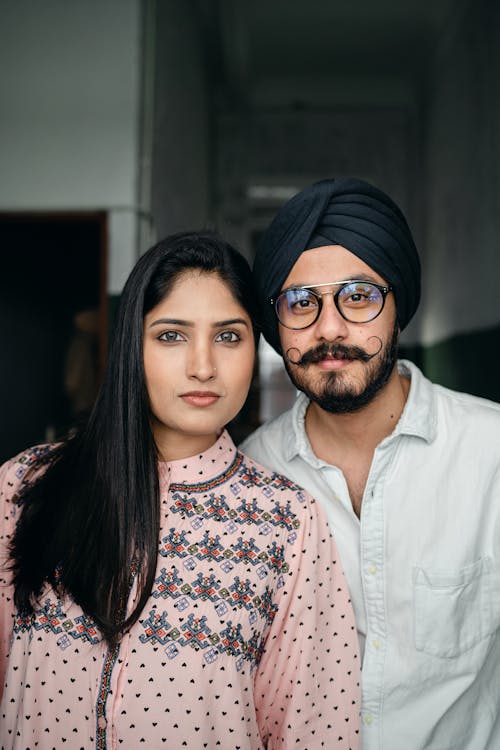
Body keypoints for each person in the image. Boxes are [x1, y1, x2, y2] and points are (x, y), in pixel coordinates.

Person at [0, 231, 361, 750]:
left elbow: (317, 731)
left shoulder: (286, 523)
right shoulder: (27, 485)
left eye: (229, 336)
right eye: (171, 335)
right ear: (132, 345)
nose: (203, 366)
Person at [241, 178, 500, 750]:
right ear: (275, 322)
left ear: (398, 307)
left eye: (358, 296)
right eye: (300, 302)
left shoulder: (491, 453)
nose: (329, 328)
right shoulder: (252, 476)